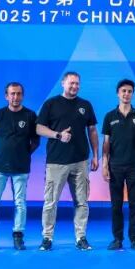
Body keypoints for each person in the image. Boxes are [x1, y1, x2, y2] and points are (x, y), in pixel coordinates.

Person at [36, 72, 99, 251]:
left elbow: (92, 131)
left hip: (80, 162)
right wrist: (58, 135)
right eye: (71, 83)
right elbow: (39, 128)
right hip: (56, 162)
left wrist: (95, 155)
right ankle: (47, 238)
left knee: (82, 202)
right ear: (63, 83)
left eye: (77, 83)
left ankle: (81, 237)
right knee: (50, 202)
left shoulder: (85, 105)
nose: (74, 86)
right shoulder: (51, 104)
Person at [0, 82, 40, 251]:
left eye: (19, 93)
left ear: (23, 95)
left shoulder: (30, 115)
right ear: (6, 96)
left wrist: (22, 153)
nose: (16, 97)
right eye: (12, 94)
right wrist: (3, 152)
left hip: (21, 167)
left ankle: (18, 235)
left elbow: (35, 141)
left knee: (20, 203)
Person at [101, 79, 135, 251]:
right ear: (118, 93)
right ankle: (117, 239)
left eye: (129, 91)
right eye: (123, 91)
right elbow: (106, 143)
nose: (126, 94)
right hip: (115, 166)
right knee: (116, 204)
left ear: (132, 94)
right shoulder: (109, 116)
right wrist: (104, 165)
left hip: (134, 166)